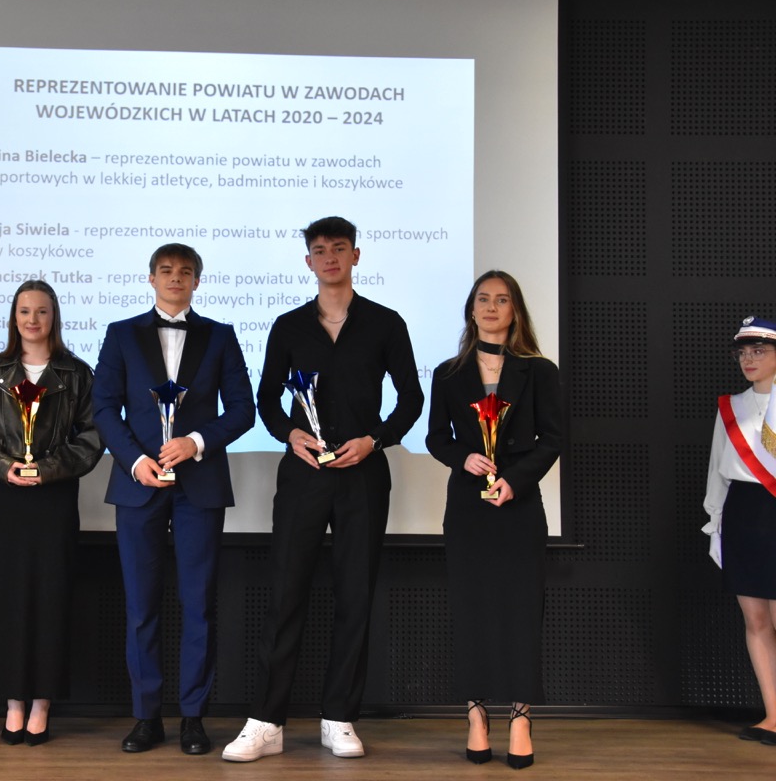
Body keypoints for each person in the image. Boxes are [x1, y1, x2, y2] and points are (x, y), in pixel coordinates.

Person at [223, 216, 423, 762]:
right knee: (285, 593)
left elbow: (411, 398)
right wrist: (289, 434)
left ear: (356, 256)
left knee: (355, 596)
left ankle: (339, 717)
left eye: (339, 248)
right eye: (319, 249)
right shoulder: (289, 326)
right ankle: (267, 722)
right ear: (307, 261)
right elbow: (266, 399)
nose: (329, 257)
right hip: (304, 475)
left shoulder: (386, 323)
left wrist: (375, 440)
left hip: (363, 473)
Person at [93, 243, 255, 755]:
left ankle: (192, 718)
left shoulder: (221, 336)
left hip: (199, 484)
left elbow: (243, 409)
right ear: (151, 278)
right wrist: (135, 461)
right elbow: (103, 408)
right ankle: (146, 717)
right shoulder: (121, 334)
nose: (175, 278)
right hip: (137, 483)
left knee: (198, 604)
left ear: (197, 282)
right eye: (166, 270)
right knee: (141, 606)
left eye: (186, 272)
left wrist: (196, 442)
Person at [424, 270, 562, 770]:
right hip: (468, 508)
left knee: (521, 610)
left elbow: (553, 438)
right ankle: (476, 716)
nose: (490, 306)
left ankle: (520, 718)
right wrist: (463, 458)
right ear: (471, 309)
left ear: (515, 311)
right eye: (482, 298)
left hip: (518, 505)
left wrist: (515, 480)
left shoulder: (539, 370)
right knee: (472, 610)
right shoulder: (448, 373)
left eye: (501, 300)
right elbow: (436, 437)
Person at [0, 279, 102, 746]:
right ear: (13, 317)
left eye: (41, 311)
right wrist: (6, 468)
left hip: (54, 500)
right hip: (6, 500)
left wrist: (48, 469)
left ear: (53, 316)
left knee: (50, 597)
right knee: (7, 599)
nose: (33, 319)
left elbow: (92, 439)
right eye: (24, 311)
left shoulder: (77, 374)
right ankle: (13, 702)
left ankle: (41, 702)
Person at [704, 316, 776, 746]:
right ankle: (773, 715)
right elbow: (718, 468)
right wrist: (715, 521)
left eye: (759, 351)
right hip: (744, 513)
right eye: (743, 353)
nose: (749, 359)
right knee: (756, 619)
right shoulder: (731, 406)